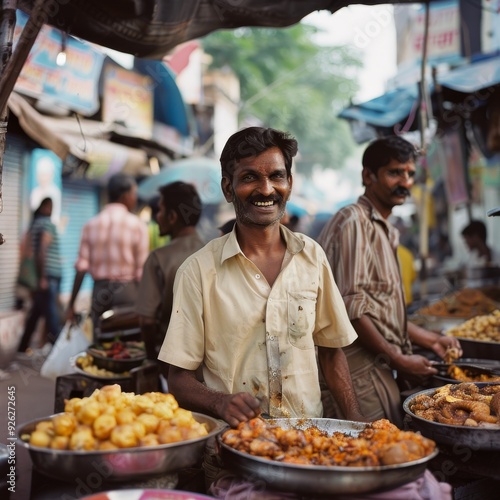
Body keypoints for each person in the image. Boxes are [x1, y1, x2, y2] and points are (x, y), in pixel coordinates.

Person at [317, 136, 462, 428]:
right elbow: (352, 309)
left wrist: (433, 339)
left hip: (378, 367)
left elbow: (384, 314)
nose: (405, 182)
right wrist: (397, 358)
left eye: (410, 174)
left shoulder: (387, 231)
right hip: (354, 371)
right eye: (395, 172)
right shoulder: (355, 221)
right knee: (372, 452)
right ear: (367, 176)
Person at [65, 173, 149, 338]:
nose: (135, 198)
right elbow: (142, 272)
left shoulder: (90, 225)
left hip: (100, 293)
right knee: (129, 341)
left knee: (101, 340)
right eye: (134, 194)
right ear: (125, 196)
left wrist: (71, 304)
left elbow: (81, 268)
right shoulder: (137, 225)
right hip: (128, 292)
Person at [136, 181, 206, 364]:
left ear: (173, 216)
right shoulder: (214, 253)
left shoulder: (157, 259)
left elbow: (146, 321)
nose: (157, 217)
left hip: (170, 363)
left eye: (160, 210)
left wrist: (151, 358)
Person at [17, 198, 63, 353]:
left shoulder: (34, 224)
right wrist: (42, 277)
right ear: (44, 207)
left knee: (36, 313)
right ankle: (58, 349)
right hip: (49, 275)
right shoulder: (46, 224)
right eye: (50, 206)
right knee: (52, 314)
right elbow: (42, 250)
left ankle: (23, 347)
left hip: (44, 276)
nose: (51, 210)